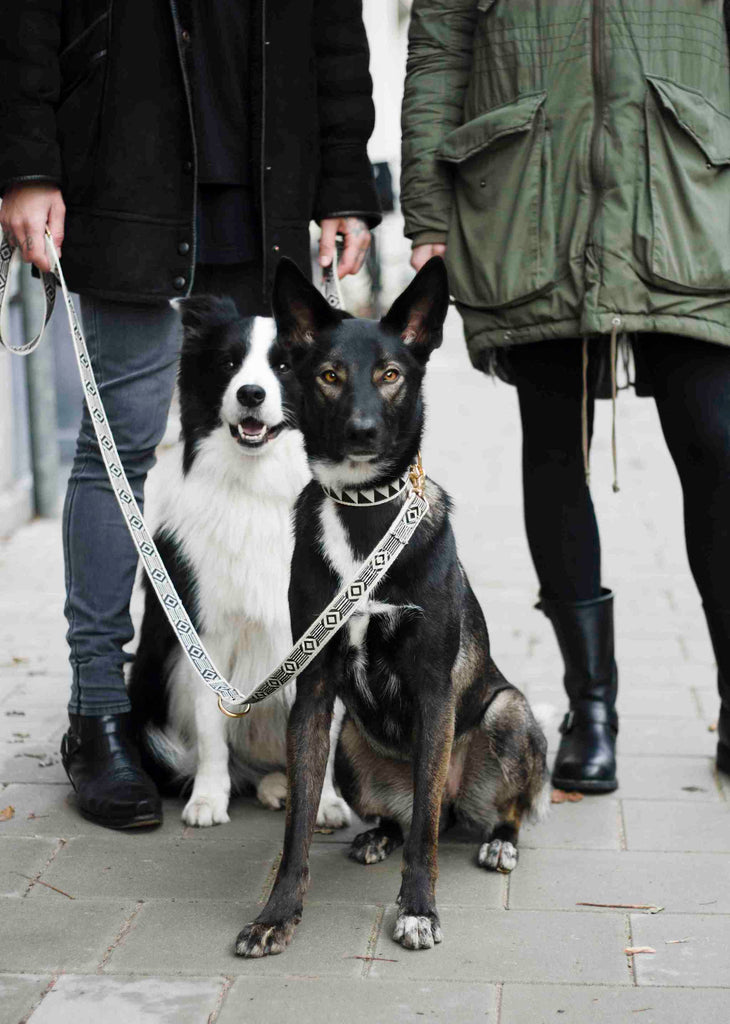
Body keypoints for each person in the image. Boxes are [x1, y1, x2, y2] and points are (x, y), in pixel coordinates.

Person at [0, 1, 380, 830]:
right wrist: (27, 165)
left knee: (275, 461)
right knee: (117, 451)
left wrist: (347, 184)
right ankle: (100, 717)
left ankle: (278, 710)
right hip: (121, 169)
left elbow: (334, 28)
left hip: (270, 182)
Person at [400, 0, 730, 793]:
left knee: (716, 442)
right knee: (553, 445)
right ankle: (593, 707)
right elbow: (440, 47)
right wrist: (428, 208)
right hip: (526, 196)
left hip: (683, 186)